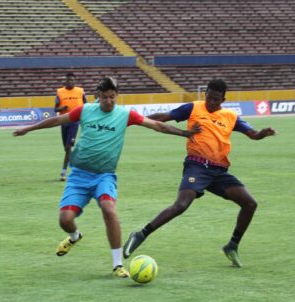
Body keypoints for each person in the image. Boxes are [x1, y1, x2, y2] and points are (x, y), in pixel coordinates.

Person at [14, 77, 201, 278]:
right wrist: (28, 128)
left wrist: (184, 133)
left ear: (116, 96)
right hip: (78, 176)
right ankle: (74, 236)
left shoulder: (125, 114)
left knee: (108, 209)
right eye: (105, 97)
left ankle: (117, 264)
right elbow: (58, 120)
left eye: (112, 97)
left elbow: (156, 125)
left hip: (104, 175)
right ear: (98, 97)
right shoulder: (85, 110)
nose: (109, 101)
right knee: (65, 220)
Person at [122, 79, 277, 268]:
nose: (211, 103)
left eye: (216, 100)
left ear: (223, 99)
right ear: (205, 95)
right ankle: (141, 234)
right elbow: (164, 116)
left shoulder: (230, 116)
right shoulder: (193, 108)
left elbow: (252, 134)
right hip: (197, 166)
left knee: (250, 203)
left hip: (219, 171)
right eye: (209, 98)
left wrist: (262, 133)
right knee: (181, 205)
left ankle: (232, 246)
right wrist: (136, 120)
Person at [55, 72, 88, 181]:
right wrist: (62, 108)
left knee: (69, 147)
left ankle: (63, 172)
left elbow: (87, 106)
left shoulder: (80, 91)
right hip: (63, 122)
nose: (70, 82)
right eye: (68, 80)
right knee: (67, 149)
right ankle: (76, 162)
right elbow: (55, 109)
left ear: (75, 81)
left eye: (72, 80)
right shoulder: (60, 92)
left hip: (75, 122)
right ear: (65, 81)